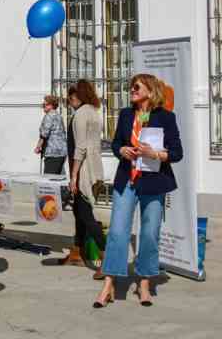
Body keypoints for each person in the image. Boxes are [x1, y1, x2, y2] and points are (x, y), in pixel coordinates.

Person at [94, 74, 183, 308]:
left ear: (150, 92)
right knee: (118, 232)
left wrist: (155, 154)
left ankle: (144, 282)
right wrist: (121, 149)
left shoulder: (166, 117)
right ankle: (109, 283)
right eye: (131, 87)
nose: (131, 91)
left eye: (136, 87)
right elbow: (115, 144)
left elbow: (177, 152)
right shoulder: (125, 114)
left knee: (149, 233)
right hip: (127, 180)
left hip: (154, 182)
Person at [56, 81, 106, 276]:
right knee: (78, 211)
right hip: (95, 168)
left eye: (71, 97)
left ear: (78, 96)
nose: (69, 101)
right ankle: (77, 252)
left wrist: (74, 175)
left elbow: (81, 147)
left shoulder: (80, 115)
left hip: (84, 171)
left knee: (86, 215)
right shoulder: (94, 112)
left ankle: (107, 258)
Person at [34, 95, 67, 175]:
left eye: (44, 105)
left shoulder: (49, 116)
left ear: (51, 105)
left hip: (52, 153)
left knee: (49, 180)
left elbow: (44, 134)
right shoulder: (59, 116)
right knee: (58, 179)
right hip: (62, 152)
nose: (43, 107)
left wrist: (38, 147)